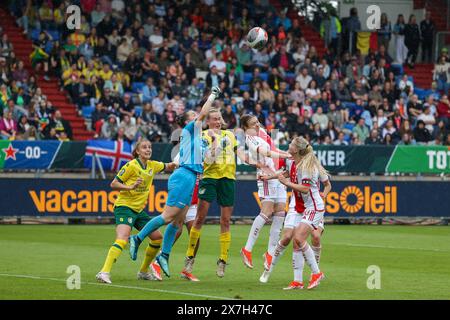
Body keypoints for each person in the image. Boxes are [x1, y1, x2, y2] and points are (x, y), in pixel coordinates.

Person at [128, 86, 221, 277]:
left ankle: (164, 255)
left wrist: (214, 142)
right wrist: (212, 95)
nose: (198, 116)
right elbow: (204, 112)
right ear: (188, 121)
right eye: (194, 115)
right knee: (168, 217)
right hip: (184, 176)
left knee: (177, 222)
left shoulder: (199, 138)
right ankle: (137, 238)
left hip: (192, 178)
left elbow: (211, 159)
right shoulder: (189, 130)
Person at [96, 139, 177, 284]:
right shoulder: (131, 166)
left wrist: (181, 161)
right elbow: (113, 183)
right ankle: (104, 272)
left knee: (157, 238)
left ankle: (143, 272)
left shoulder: (153, 165)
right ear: (137, 151)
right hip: (124, 207)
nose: (148, 149)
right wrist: (130, 187)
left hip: (139, 211)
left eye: (150, 147)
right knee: (123, 238)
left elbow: (169, 166)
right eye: (144, 147)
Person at [259, 137, 330, 290]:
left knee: (299, 238)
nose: (288, 145)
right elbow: (284, 173)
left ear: (297, 149)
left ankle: (316, 273)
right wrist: (269, 177)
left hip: (313, 207)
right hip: (299, 206)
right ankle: (298, 281)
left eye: (291, 144)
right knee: (296, 240)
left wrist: (286, 184)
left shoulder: (307, 167)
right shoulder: (292, 161)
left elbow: (305, 189)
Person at [182, 108, 239, 279]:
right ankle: (190, 256)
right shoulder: (204, 136)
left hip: (228, 178)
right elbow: (207, 160)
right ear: (208, 121)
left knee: (226, 220)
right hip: (210, 177)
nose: (218, 121)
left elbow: (238, 153)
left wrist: (256, 163)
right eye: (214, 119)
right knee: (200, 218)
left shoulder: (230, 135)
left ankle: (223, 259)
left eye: (219, 118)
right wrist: (216, 146)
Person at [239, 114, 291, 270]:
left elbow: (273, 150)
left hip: (277, 174)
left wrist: (287, 153)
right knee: (266, 211)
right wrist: (286, 155)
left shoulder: (262, 132)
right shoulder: (250, 138)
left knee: (280, 213)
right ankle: (247, 249)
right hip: (266, 176)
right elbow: (266, 153)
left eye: (257, 122)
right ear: (245, 128)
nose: (257, 125)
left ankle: (270, 253)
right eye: (253, 123)